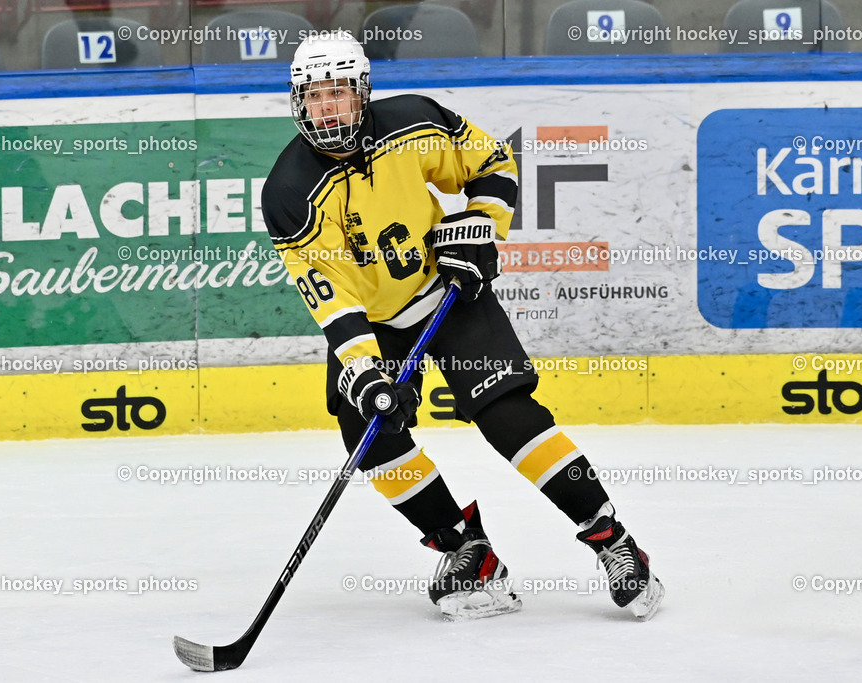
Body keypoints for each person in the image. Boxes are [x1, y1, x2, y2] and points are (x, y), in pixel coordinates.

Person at [261, 30, 664, 621]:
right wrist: (369, 376)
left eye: (340, 95)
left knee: (509, 416)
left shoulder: (414, 123)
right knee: (370, 434)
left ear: (363, 94)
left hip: (449, 292)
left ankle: (614, 542)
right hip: (375, 323)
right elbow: (332, 298)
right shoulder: (288, 193)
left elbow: (494, 164)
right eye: (315, 97)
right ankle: (466, 551)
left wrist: (480, 229)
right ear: (298, 102)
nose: (328, 109)